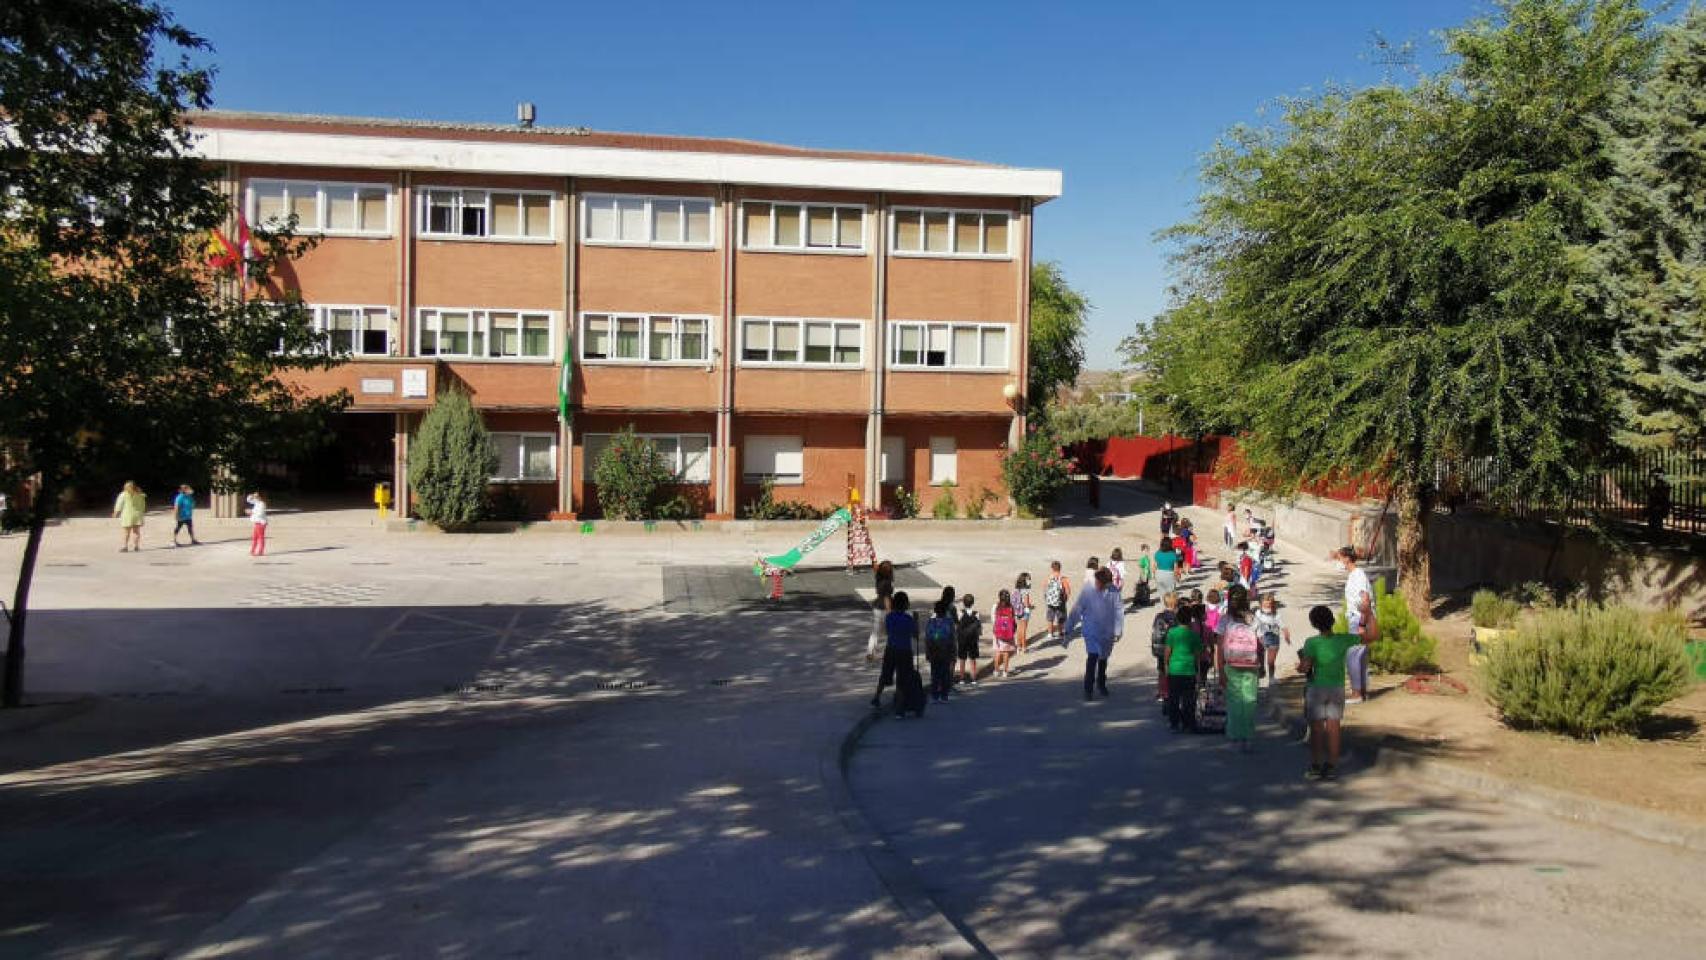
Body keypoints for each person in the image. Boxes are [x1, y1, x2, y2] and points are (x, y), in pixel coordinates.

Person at [1300, 595, 1380, 780]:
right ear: (1333, 621)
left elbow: (1305, 667)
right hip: (1336, 688)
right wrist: (1369, 614)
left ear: (1313, 624)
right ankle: (1332, 765)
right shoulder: (1343, 640)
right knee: (1334, 727)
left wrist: (1301, 665)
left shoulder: (1311, 643)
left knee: (1317, 729)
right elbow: (1373, 636)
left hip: (1317, 688)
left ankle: (1316, 765)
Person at [1216, 585, 1262, 752]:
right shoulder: (1253, 619)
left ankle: (1235, 738)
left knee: (1234, 702)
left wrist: (1220, 669)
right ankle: (1248, 737)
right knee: (1249, 701)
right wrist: (1261, 664)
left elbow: (1220, 647)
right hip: (1251, 665)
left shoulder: (1225, 620)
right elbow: (1261, 644)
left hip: (1232, 665)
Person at [1064, 567, 1120, 701]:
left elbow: (1118, 610)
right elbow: (1077, 609)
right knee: (1092, 657)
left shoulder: (1113, 591)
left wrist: (1118, 629)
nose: (1098, 585)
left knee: (1103, 659)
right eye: (1098, 582)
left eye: (1102, 583)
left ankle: (1101, 683)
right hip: (1091, 631)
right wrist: (1069, 627)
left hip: (1107, 631)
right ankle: (1088, 688)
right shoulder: (1088, 590)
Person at [871, 591, 921, 708]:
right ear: (906, 605)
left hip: (891, 648)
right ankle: (900, 702)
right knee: (902, 677)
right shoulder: (908, 619)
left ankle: (877, 697)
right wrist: (916, 621)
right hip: (905, 651)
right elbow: (916, 635)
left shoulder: (889, 617)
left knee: (885, 674)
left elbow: (887, 631)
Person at [1336, 546, 1372, 704]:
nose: (1338, 561)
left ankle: (1356, 693)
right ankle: (1362, 691)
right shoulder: (1353, 575)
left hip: (1359, 619)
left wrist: (1362, 623)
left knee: (1352, 655)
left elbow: (1365, 600)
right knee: (1360, 656)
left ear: (1346, 559)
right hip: (1356, 618)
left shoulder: (1358, 575)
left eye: (1339, 558)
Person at [1163, 603, 1205, 731]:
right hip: (1189, 670)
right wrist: (1198, 672)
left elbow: (1167, 651)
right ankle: (1188, 723)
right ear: (1190, 620)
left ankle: (1174, 723)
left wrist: (1166, 665)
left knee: (1174, 698)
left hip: (1174, 669)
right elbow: (1198, 655)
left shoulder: (1172, 633)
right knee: (1189, 699)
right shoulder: (1194, 635)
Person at [1253, 592, 1290, 687]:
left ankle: (1271, 678)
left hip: (1274, 638)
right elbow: (1254, 626)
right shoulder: (1257, 613)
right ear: (1261, 604)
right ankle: (1260, 672)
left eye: (1269, 604)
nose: (1267, 607)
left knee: (1271, 661)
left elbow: (1283, 626)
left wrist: (1286, 635)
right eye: (1265, 604)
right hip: (1261, 638)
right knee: (1259, 659)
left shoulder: (1276, 614)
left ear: (1273, 604)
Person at [924, 599, 958, 703]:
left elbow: (927, 638)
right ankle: (944, 695)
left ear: (935, 611)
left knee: (934, 674)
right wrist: (953, 652)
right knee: (945, 674)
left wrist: (927, 652)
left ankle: (934, 695)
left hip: (934, 651)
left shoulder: (931, 622)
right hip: (946, 651)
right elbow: (953, 638)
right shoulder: (949, 622)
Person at [1150, 591, 1179, 704]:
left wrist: (1154, 646)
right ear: (1175, 603)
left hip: (1160, 648)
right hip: (1173, 648)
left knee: (1161, 670)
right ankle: (1171, 689)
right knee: (1172, 670)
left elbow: (1155, 633)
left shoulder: (1159, 616)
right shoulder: (1177, 617)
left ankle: (1162, 691)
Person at [990, 589, 1019, 678]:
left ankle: (996, 670)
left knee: (998, 651)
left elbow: (993, 619)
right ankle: (1005, 671)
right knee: (1006, 652)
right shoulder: (1011, 607)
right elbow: (1014, 619)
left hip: (998, 633)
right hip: (1008, 633)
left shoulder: (995, 606)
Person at [112, 481, 146, 552]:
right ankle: (136, 546)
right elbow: (143, 505)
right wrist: (142, 512)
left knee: (127, 532)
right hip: (137, 515)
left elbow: (119, 504)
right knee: (136, 532)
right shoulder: (140, 494)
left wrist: (116, 512)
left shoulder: (123, 494)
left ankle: (125, 546)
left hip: (127, 515)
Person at [956, 593, 982, 686]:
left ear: (963, 603)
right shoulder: (976, 614)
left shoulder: (960, 613)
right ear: (973, 603)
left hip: (962, 640)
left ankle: (962, 678)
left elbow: (957, 624)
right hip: (973, 640)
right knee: (973, 659)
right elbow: (979, 627)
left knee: (962, 659)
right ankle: (973, 678)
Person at [1044, 560, 1070, 645]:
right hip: (1060, 601)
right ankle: (1060, 633)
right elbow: (1068, 591)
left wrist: (1047, 598)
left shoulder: (1048, 577)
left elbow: (1045, 588)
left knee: (1050, 618)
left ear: (1052, 568)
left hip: (1050, 601)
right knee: (1060, 618)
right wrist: (1065, 599)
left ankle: (1050, 633)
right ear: (1060, 568)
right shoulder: (1063, 578)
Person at [1013, 573, 1035, 654]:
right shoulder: (1026, 592)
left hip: (1017, 612)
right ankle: (1024, 647)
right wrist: (1031, 607)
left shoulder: (1016, 590)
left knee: (1019, 629)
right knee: (1024, 630)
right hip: (1025, 612)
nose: (1030, 581)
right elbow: (1026, 604)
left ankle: (1018, 647)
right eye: (1029, 579)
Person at [246, 491, 269, 556]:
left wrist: (251, 512)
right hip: (257, 523)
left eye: (256, 496)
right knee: (255, 537)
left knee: (260, 537)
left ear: (260, 497)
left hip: (261, 523)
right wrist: (252, 495)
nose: (255, 497)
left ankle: (260, 551)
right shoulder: (257, 502)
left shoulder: (262, 504)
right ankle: (252, 551)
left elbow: (260, 514)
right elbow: (248, 500)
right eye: (255, 496)